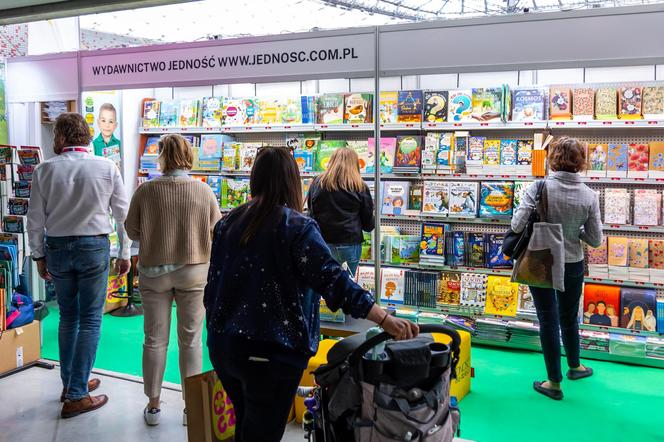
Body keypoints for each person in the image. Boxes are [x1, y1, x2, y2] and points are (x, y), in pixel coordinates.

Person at [205, 147, 418, 442]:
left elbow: (212, 287)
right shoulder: (296, 227)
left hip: (224, 347)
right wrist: (383, 319)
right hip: (273, 351)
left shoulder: (228, 223)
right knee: (262, 430)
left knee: (247, 423)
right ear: (292, 181)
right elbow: (335, 282)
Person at [27, 112, 131, 418]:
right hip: (93, 247)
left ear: (60, 137)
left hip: (56, 247)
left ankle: (72, 382)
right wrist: (125, 252)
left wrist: (37, 256)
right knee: (90, 320)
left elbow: (35, 220)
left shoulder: (43, 170)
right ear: (87, 135)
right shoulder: (107, 166)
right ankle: (76, 392)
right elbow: (122, 216)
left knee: (68, 319)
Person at [125, 134, 221, 426]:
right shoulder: (203, 191)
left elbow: (131, 230)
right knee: (191, 340)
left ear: (162, 156)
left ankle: (153, 405)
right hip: (194, 272)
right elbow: (217, 230)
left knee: (154, 339)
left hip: (154, 272)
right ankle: (190, 408)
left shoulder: (146, 190)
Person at [511, 136, 602, 401]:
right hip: (573, 262)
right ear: (581, 161)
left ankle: (554, 382)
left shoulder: (539, 187)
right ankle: (575, 366)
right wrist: (574, 233)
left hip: (541, 260)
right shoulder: (589, 195)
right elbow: (596, 239)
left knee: (547, 319)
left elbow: (517, 225)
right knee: (569, 315)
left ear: (553, 158)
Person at [307, 147, 374, 276]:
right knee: (348, 286)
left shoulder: (317, 183)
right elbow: (368, 225)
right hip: (350, 243)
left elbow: (311, 214)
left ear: (331, 162)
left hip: (323, 242)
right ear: (355, 164)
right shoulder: (360, 186)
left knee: (325, 284)